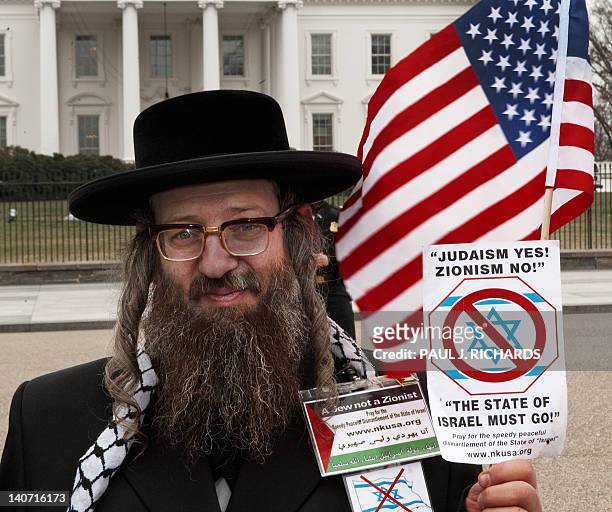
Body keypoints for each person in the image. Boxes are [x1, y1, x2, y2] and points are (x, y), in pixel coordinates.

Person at [0, 90, 542, 512]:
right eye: (184, 233)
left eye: (246, 226)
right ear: (151, 251)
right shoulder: (48, 423)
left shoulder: (429, 423)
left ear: (299, 231)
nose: (216, 263)